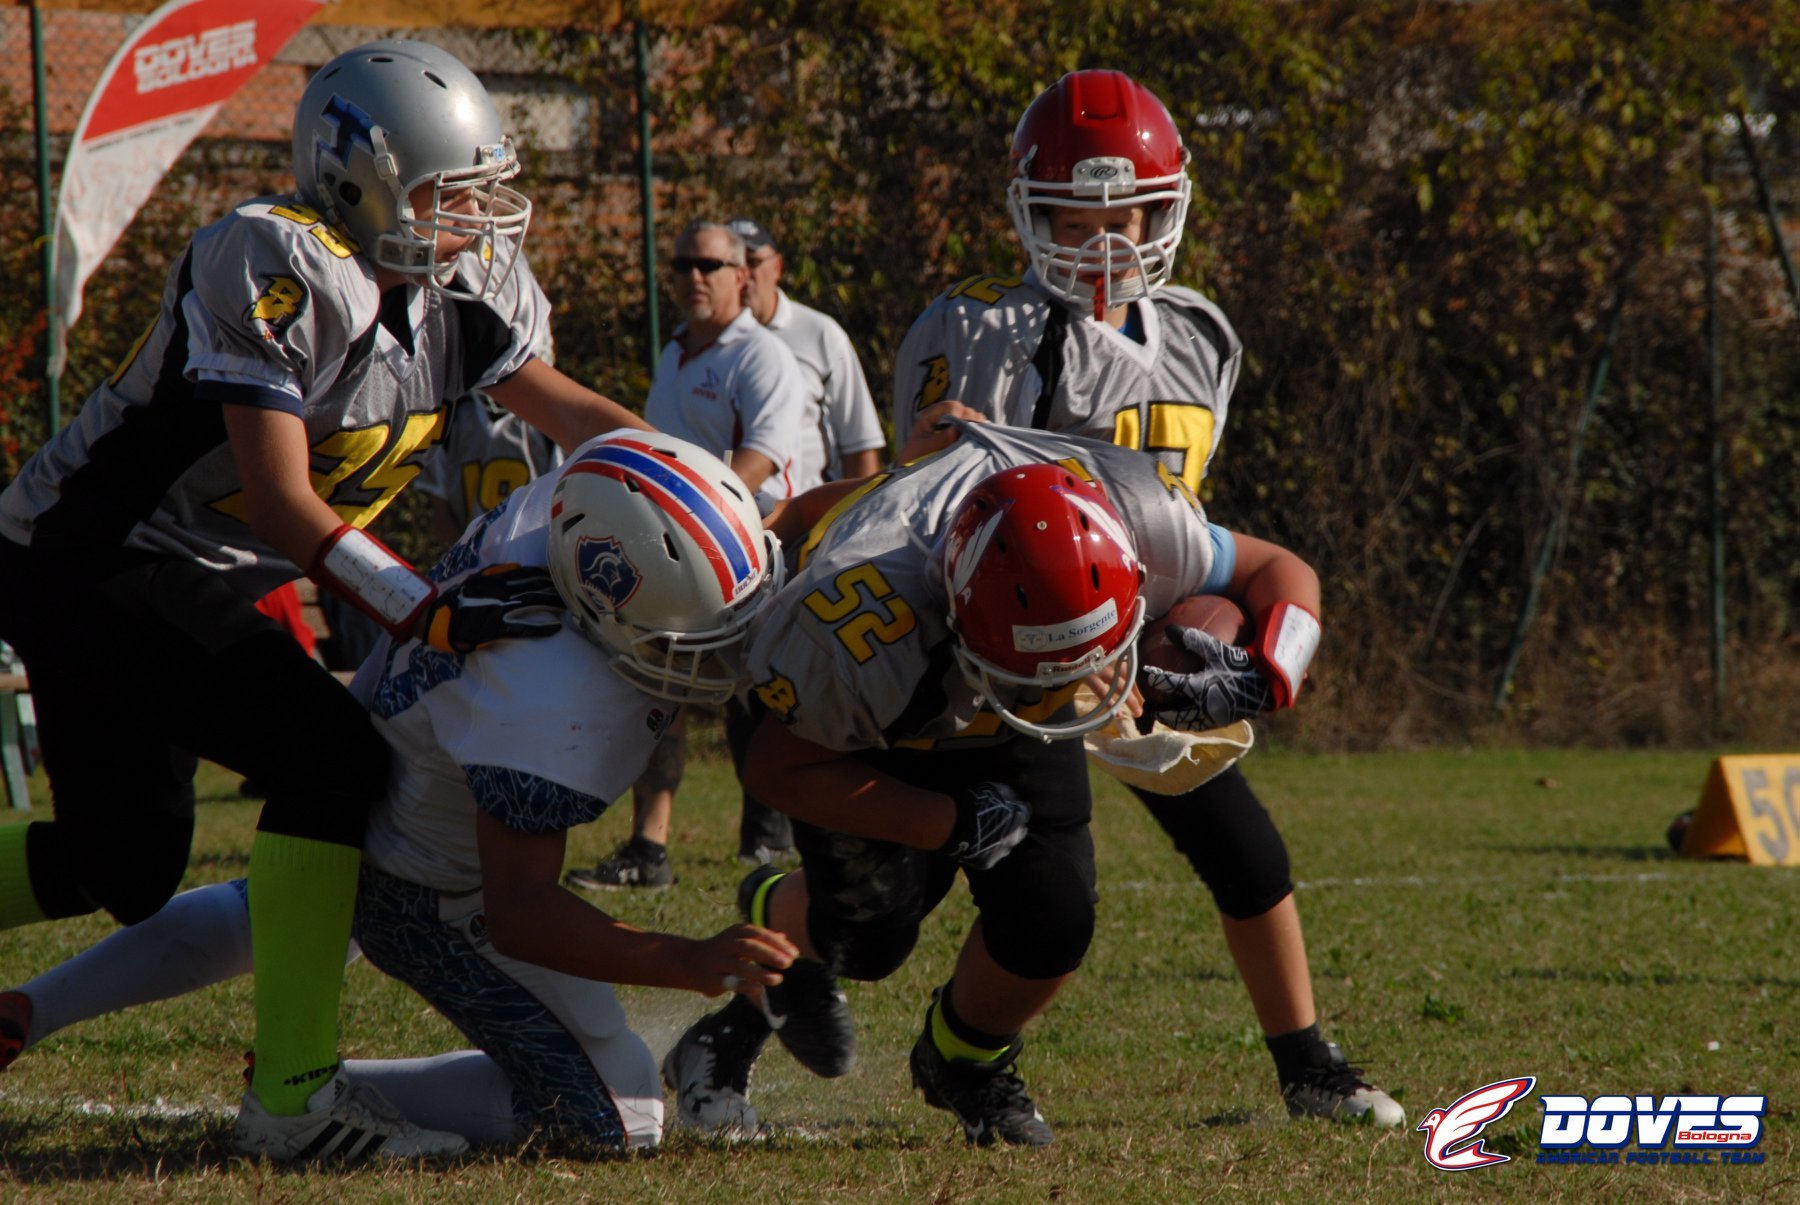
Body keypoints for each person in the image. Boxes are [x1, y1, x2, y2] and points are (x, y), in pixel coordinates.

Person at [0, 39, 650, 1159]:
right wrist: (421, 607)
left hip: (192, 570)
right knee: (330, 756)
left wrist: (695, 483)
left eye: (483, 190)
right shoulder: (277, 257)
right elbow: (280, 499)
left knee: (127, 861)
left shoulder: (463, 291)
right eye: (451, 193)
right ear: (362, 182)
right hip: (87, 555)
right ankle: (294, 1100)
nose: (477, 217)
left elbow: (574, 412)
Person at [0, 431, 798, 1154]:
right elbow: (521, 912)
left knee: (281, 902)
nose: (721, 653)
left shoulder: (557, 507)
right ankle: (320, 1084)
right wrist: (684, 957)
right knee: (620, 1117)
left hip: (378, 787)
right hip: (430, 893)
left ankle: (36, 1005)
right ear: (604, 596)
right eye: (697, 637)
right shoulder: (552, 701)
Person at [890, 69, 1402, 1127]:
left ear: (1164, 210)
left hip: (1139, 635)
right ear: (1029, 214)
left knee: (1246, 851)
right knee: (938, 895)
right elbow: (938, 506)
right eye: (1072, 218)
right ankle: (780, 1029)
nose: (1101, 242)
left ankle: (1308, 1063)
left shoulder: (1201, 333)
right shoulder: (982, 327)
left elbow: (1194, 528)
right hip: (1006, 650)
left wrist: (1239, 661)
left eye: (1122, 216)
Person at [663, 418, 1325, 1147]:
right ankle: (769, 943)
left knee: (1054, 912)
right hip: (881, 724)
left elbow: (1279, 568)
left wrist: (1271, 670)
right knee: (873, 933)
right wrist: (945, 822)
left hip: (998, 701)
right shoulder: (856, 625)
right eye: (1042, 669)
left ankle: (966, 1061)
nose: (1065, 684)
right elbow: (776, 767)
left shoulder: (1142, 517)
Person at [567, 219, 811, 891]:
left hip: (752, 554)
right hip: (677, 552)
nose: (693, 277)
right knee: (659, 687)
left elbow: (766, 456)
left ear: (743, 275)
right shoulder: (677, 351)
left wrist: (699, 515)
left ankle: (797, 838)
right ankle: (649, 850)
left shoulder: (762, 355)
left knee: (770, 706)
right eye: (681, 266)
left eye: (708, 265)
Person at [720, 215, 890, 865]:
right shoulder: (707, 343)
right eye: (735, 261)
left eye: (755, 259)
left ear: (776, 266)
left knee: (805, 678)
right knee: (738, 681)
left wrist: (864, 531)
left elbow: (861, 445)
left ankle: (803, 824)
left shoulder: (819, 335)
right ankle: (764, 831)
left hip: (808, 537)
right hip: (730, 537)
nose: (745, 273)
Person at [420, 387, 564, 551]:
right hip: (468, 558)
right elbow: (441, 518)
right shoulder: (451, 419)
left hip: (526, 557)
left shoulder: (548, 423)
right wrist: (466, 558)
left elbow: (555, 509)